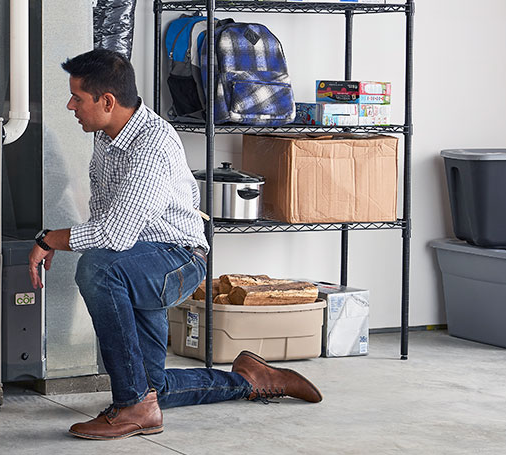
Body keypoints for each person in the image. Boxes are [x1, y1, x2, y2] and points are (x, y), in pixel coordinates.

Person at [27, 49, 323, 441]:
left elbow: (113, 234)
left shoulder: (151, 147)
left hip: (176, 259)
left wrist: (49, 238)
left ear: (108, 101)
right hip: (136, 261)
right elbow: (110, 223)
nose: (70, 105)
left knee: (97, 268)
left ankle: (133, 406)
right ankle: (249, 378)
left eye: (77, 98)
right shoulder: (106, 136)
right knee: (154, 387)